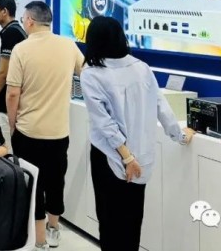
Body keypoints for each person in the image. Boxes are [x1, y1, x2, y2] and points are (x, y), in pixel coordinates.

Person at [79, 16, 194, 251]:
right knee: (132, 221)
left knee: (110, 222)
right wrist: (180, 135)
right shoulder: (142, 68)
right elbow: (161, 107)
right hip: (141, 157)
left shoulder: (92, 73)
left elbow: (104, 124)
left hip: (111, 157)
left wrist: (127, 157)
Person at [6, 1, 84, 251]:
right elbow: (87, 74)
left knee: (34, 185)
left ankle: (38, 239)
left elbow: (13, 94)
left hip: (28, 131)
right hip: (59, 131)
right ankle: (54, 229)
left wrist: (12, 124)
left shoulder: (21, 49)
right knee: (55, 181)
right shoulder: (68, 46)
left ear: (29, 20)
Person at [0, 0, 27, 152]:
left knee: (6, 150)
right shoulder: (17, 30)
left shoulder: (11, 33)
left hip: (7, 105)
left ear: (4, 11)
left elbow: (3, 72)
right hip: (18, 102)